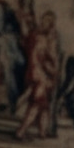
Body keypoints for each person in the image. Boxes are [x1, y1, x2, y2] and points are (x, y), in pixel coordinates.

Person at [15, 9, 60, 140]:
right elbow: (52, 60)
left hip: (32, 73)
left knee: (43, 105)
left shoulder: (33, 35)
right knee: (36, 104)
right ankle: (21, 131)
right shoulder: (47, 40)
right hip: (41, 76)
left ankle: (42, 132)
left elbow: (24, 43)